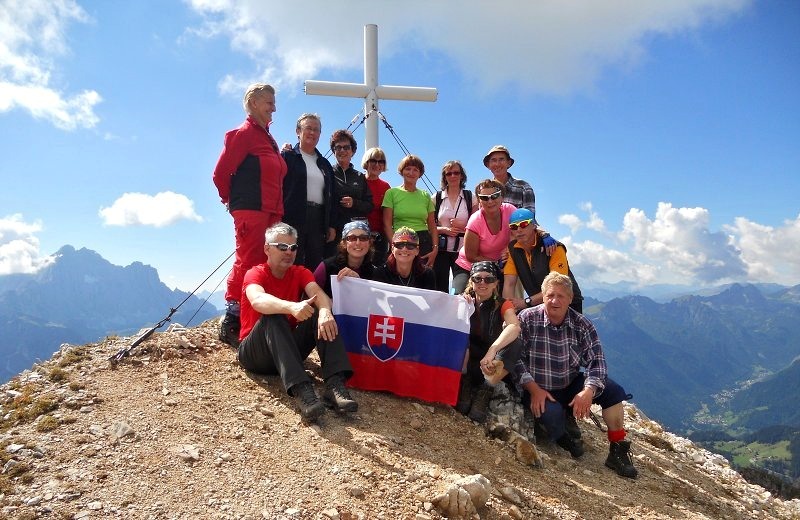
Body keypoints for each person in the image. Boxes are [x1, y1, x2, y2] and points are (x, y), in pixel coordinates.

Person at [514, 272, 637, 479]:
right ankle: (562, 430)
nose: (555, 301)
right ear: (542, 296)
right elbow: (516, 360)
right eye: (550, 295)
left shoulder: (582, 324)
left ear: (570, 299)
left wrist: (588, 391)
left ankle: (617, 450)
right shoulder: (527, 319)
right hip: (537, 387)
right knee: (552, 419)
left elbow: (597, 362)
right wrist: (533, 389)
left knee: (614, 392)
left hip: (569, 383)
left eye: (561, 296)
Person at [237, 222, 358, 422]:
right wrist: (291, 307)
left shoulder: (300, 272)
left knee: (320, 311)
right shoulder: (255, 273)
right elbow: (258, 300)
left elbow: (318, 294)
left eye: (293, 248)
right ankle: (302, 390)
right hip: (255, 355)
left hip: (286, 352)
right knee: (273, 315)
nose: (289, 252)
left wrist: (326, 311)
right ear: (267, 249)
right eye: (282, 247)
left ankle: (335, 384)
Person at [212, 83, 287, 348]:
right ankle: (232, 318)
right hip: (252, 208)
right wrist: (230, 200)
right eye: (269, 102)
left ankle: (255, 316)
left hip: (272, 209)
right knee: (248, 258)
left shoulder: (267, 137)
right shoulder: (242, 134)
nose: (274, 107)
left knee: (267, 260)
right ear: (253, 103)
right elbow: (220, 173)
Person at [456, 261, 522, 424]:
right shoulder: (463, 301)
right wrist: (460, 303)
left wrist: (493, 350)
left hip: (490, 364)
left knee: (515, 343)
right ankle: (465, 384)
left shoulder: (502, 304)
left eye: (489, 279)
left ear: (496, 284)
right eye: (477, 279)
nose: (483, 283)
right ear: (471, 281)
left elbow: (514, 326)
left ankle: (485, 391)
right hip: (468, 360)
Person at [281, 113, 336, 270]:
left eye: (316, 129)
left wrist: (331, 225)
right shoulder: (287, 156)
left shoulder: (325, 164)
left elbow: (331, 196)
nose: (312, 132)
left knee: (315, 263)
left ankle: (311, 294)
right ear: (298, 131)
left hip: (318, 220)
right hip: (292, 217)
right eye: (308, 128)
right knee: (291, 260)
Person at [503, 208, 584, 313]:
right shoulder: (513, 249)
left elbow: (558, 285)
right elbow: (509, 283)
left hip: (567, 304)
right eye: (514, 227)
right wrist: (508, 309)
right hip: (539, 305)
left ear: (533, 225)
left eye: (523, 224)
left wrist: (526, 302)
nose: (519, 230)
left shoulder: (554, 248)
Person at [451, 179, 516, 295]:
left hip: (497, 268)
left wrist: (544, 234)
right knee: (456, 298)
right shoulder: (475, 221)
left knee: (499, 302)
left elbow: (528, 226)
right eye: (484, 198)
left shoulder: (511, 211)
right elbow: (471, 256)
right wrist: (496, 263)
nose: (490, 201)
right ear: (480, 201)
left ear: (501, 197)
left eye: (494, 196)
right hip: (468, 266)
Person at [382, 155, 438, 268]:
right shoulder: (391, 193)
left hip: (423, 241)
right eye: (408, 169)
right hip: (399, 240)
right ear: (402, 171)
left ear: (420, 174)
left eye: (415, 170)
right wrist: (394, 245)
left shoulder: (425, 195)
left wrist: (435, 249)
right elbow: (386, 224)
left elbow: (432, 225)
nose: (411, 172)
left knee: (421, 280)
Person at [328, 129, 373, 256]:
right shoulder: (327, 173)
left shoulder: (359, 177)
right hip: (333, 232)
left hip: (355, 234)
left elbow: (369, 205)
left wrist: (354, 203)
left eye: (346, 147)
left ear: (352, 151)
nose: (342, 151)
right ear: (333, 151)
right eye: (338, 147)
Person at [432, 160, 475, 293]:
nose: (452, 176)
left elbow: (476, 224)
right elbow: (429, 226)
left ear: (462, 175)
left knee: (458, 290)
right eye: (448, 173)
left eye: (456, 172)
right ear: (444, 177)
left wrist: (462, 225)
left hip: (462, 251)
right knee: (439, 289)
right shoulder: (436, 198)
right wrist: (443, 230)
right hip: (441, 251)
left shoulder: (470, 197)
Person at [314, 220, 376, 298]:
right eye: (352, 238)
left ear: (370, 243)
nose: (358, 243)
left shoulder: (374, 272)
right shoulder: (326, 267)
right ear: (344, 243)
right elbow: (311, 295)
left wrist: (359, 283)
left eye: (363, 238)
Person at [362, 147, 392, 266]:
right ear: (367, 162)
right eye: (373, 161)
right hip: (360, 236)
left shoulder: (386, 187)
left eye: (381, 162)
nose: (377, 164)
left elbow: (387, 216)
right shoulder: (358, 181)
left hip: (379, 238)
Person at [483, 145, 535, 211]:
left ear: (509, 163)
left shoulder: (523, 187)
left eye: (501, 159)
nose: (497, 164)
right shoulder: (484, 191)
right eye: (493, 160)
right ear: (488, 165)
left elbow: (529, 217)